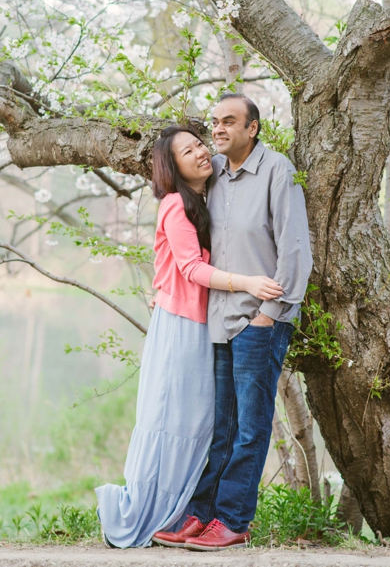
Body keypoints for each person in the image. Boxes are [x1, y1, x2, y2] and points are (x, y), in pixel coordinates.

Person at [96, 125, 285, 548]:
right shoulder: (175, 205)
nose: (201, 151)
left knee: (201, 423)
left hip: (205, 324)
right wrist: (249, 283)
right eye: (188, 150)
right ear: (173, 166)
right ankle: (149, 512)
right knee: (172, 419)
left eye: (200, 143)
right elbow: (190, 270)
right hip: (180, 326)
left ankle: (185, 511)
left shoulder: (207, 197)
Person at [153, 94, 312, 551]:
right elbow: (186, 247)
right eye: (214, 122)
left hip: (260, 322)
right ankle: (201, 514)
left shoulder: (276, 171)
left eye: (229, 122)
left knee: (250, 425)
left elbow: (296, 251)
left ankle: (234, 520)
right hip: (218, 320)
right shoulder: (214, 174)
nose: (217, 130)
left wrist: (269, 316)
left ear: (253, 128)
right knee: (220, 425)